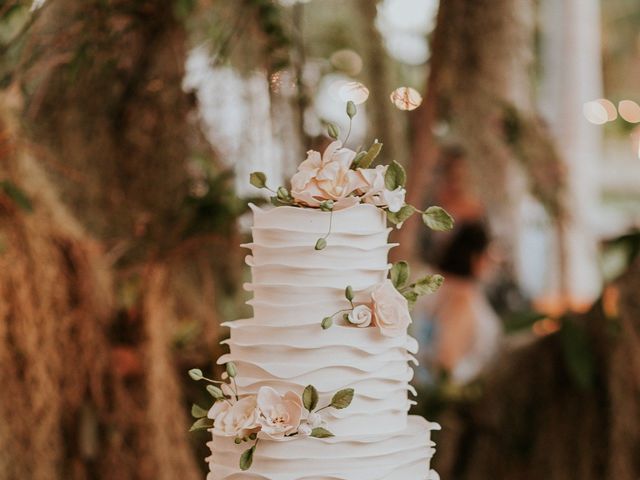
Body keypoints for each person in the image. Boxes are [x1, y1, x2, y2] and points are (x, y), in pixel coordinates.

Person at [413, 221, 503, 386]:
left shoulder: (433, 281)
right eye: (488, 256)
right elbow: (446, 359)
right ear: (475, 258)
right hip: (457, 391)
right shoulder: (462, 295)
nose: (493, 263)